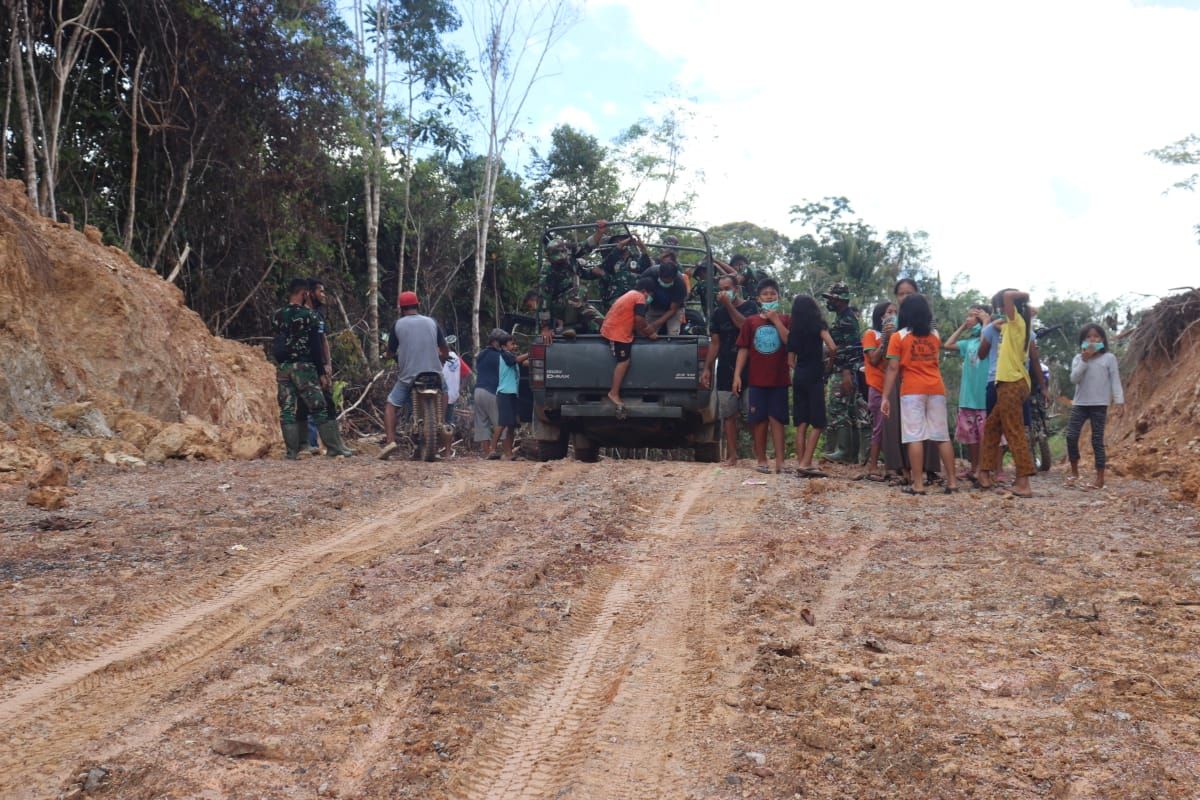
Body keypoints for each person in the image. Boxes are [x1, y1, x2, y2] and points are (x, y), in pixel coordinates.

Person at [880, 293, 958, 494]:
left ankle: (918, 484)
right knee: (942, 436)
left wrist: (885, 396)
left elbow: (892, 368)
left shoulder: (899, 337)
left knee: (914, 436)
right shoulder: (935, 335)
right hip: (936, 388)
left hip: (912, 390)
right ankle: (952, 482)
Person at [271, 278, 352, 459]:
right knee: (319, 407)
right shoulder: (310, 316)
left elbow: (276, 341)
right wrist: (322, 372)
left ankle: (292, 452)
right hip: (304, 367)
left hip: (283, 367)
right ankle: (334, 448)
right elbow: (316, 346)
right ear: (304, 293)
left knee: (288, 409)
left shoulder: (277, 314)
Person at [977, 289, 1036, 496]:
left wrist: (1022, 295)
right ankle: (984, 472)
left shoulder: (1017, 322)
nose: (1001, 310)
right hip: (1010, 382)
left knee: (1014, 430)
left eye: (1002, 306)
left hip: (1011, 382)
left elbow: (1009, 296)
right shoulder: (1017, 325)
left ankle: (1024, 483)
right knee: (992, 427)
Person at [379, 291, 448, 460]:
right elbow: (445, 349)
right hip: (434, 372)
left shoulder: (398, 325)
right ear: (418, 305)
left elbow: (390, 352)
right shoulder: (431, 322)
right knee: (445, 391)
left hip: (409, 375)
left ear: (401, 309)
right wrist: (442, 361)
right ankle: (441, 424)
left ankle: (390, 441)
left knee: (391, 405)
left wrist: (387, 357)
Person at [733, 278, 791, 474]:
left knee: (778, 419)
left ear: (778, 296)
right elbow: (743, 349)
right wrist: (737, 375)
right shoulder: (750, 322)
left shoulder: (785, 319)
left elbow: (788, 341)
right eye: (765, 294)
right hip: (756, 379)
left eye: (772, 293)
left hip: (779, 379)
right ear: (758, 298)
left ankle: (780, 461)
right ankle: (761, 459)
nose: (769, 296)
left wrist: (775, 320)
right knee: (759, 420)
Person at [700, 274, 759, 466]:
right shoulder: (717, 314)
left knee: (753, 414)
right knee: (728, 415)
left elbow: (745, 327)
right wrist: (708, 368)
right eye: (721, 289)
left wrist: (729, 306)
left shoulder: (750, 307)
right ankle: (733, 456)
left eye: (727, 288)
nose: (724, 292)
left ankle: (760, 456)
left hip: (750, 368)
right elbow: (715, 344)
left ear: (737, 288)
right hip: (725, 367)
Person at [1066, 323, 1124, 489]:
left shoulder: (1109, 358)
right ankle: (1074, 472)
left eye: (1096, 337)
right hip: (1080, 403)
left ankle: (1100, 478)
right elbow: (1074, 379)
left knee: (1097, 440)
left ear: (1102, 339)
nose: (1092, 340)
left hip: (1100, 404)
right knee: (1071, 436)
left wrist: (1119, 401)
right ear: (1083, 340)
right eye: (1088, 337)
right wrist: (1084, 360)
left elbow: (1115, 381)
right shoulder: (1078, 359)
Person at [787, 294, 837, 477]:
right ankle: (807, 462)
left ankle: (801, 463)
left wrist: (801, 367)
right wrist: (828, 365)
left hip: (799, 375)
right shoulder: (818, 326)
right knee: (818, 421)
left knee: (802, 421)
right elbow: (832, 347)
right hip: (815, 375)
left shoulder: (794, 330)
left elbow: (790, 361)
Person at [942, 305, 992, 483]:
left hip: (984, 399)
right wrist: (963, 327)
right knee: (971, 438)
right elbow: (947, 344)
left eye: (973, 316)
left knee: (985, 437)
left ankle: (982, 469)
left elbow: (988, 337)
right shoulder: (968, 343)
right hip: (968, 398)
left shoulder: (989, 340)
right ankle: (973, 468)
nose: (969, 318)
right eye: (968, 315)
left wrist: (986, 321)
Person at [599, 276, 659, 410]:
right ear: (645, 291)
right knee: (624, 361)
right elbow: (639, 320)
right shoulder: (639, 298)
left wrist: (643, 331)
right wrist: (650, 333)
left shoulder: (630, 294)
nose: (650, 297)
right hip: (617, 333)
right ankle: (613, 393)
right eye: (650, 294)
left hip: (615, 328)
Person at [821, 282, 863, 464]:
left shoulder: (847, 319)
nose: (829, 302)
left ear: (841, 300)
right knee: (848, 410)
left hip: (845, 369)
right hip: (843, 368)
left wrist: (846, 373)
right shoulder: (842, 317)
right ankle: (850, 454)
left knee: (838, 408)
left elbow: (851, 349)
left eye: (832, 298)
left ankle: (844, 451)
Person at [540, 223, 606, 339]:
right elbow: (544, 300)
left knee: (599, 323)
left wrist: (599, 232)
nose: (559, 263)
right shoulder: (547, 272)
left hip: (576, 304)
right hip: (559, 306)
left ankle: (601, 329)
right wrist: (545, 328)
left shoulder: (571, 256)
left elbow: (587, 245)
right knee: (578, 291)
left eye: (561, 259)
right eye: (556, 261)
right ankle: (568, 326)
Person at [861, 301, 896, 480]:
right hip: (876, 386)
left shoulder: (898, 336)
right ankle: (873, 465)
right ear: (880, 315)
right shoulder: (870, 334)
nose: (892, 315)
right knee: (880, 426)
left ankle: (892, 465)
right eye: (889, 312)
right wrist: (884, 339)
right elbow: (873, 360)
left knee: (893, 427)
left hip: (894, 387)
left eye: (895, 312)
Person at [583, 232, 651, 313]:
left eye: (623, 239)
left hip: (634, 302)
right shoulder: (611, 260)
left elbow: (646, 267)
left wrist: (643, 249)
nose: (621, 242)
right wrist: (620, 245)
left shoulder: (635, 259)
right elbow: (605, 269)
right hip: (614, 302)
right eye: (617, 241)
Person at [489, 334, 529, 461]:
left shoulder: (511, 357)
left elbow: (524, 363)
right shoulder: (505, 355)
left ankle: (509, 453)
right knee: (502, 423)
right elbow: (517, 360)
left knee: (511, 425)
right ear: (503, 346)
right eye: (512, 344)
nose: (515, 346)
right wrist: (530, 352)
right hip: (504, 393)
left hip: (512, 394)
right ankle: (492, 450)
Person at [473, 329, 505, 456]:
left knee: (482, 423)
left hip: (478, 390)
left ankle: (486, 452)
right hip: (491, 391)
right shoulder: (499, 356)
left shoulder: (481, 354)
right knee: (500, 422)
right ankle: (495, 449)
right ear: (495, 342)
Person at [642, 259, 688, 336]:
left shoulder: (680, 284)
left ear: (674, 278)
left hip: (674, 309)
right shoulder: (650, 273)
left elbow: (672, 310)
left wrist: (655, 325)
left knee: (673, 335)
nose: (664, 284)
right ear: (659, 274)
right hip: (655, 306)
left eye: (668, 282)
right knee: (645, 332)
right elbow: (640, 293)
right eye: (663, 281)